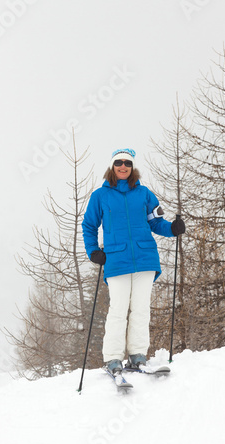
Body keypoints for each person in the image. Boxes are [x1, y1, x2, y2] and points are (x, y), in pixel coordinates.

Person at [82, 148, 185, 374]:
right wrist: (93, 251)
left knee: (140, 309)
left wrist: (172, 229)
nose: (123, 167)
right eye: (118, 163)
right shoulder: (100, 195)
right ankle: (112, 359)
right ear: (112, 166)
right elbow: (89, 226)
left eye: (127, 163)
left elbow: (156, 223)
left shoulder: (144, 194)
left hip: (145, 258)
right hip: (116, 260)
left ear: (132, 167)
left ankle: (138, 355)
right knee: (118, 309)